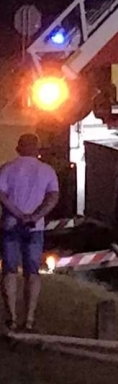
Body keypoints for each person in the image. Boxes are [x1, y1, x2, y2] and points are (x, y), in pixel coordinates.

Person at [0, 133, 61, 332]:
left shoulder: (7, 168)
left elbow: (1, 195)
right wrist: (34, 216)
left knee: (9, 271)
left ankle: (12, 317)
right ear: (37, 149)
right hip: (35, 228)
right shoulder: (47, 171)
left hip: (10, 225)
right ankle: (29, 319)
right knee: (32, 273)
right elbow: (52, 197)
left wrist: (17, 213)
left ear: (19, 147)